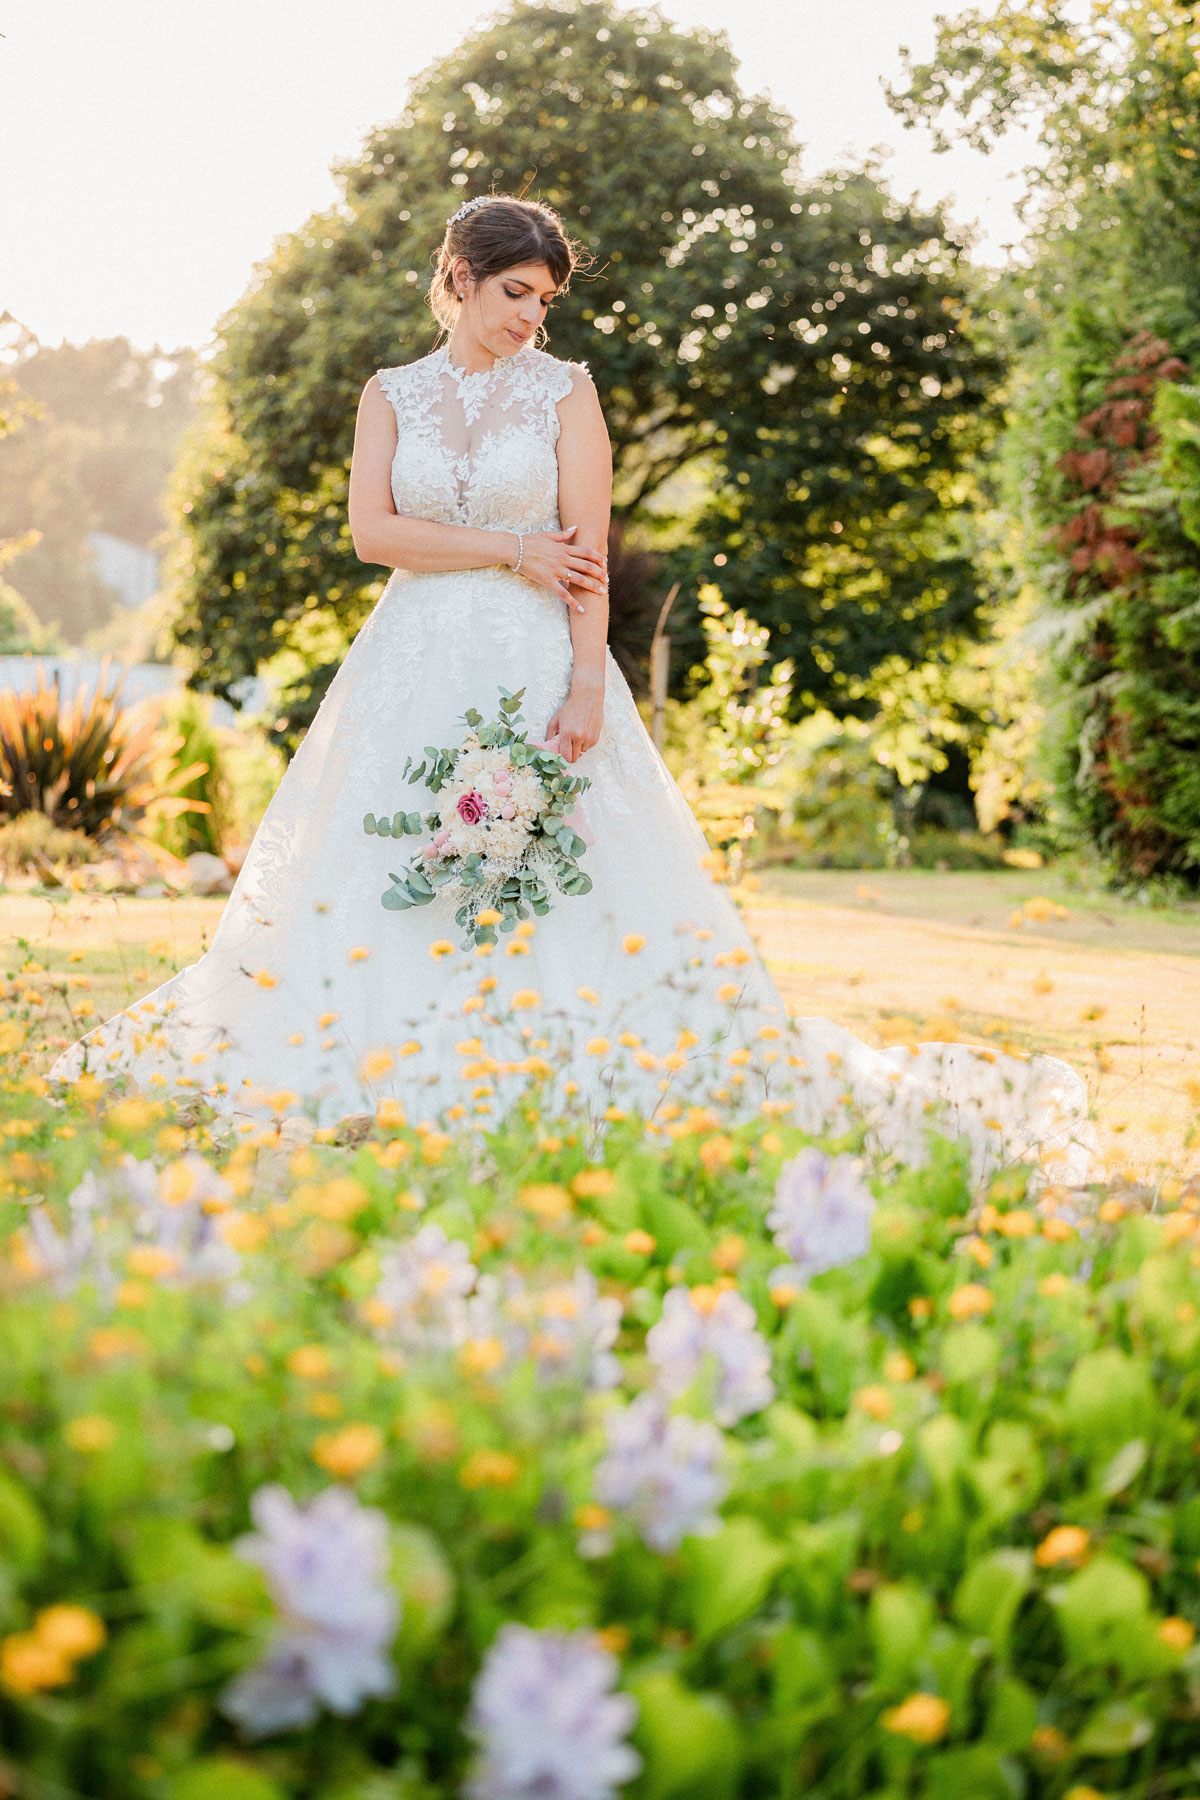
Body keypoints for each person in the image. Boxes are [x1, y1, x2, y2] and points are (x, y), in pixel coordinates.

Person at [51, 195, 1093, 1182]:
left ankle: (568, 1070)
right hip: (409, 662)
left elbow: (584, 558)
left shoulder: (565, 393)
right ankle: (381, 1068)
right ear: (459, 276)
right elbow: (375, 533)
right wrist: (513, 548)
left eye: (545, 299)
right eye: (516, 292)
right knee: (386, 858)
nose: (531, 317)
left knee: (562, 876)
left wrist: (588, 683)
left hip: (535, 659)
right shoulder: (388, 394)